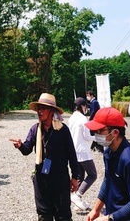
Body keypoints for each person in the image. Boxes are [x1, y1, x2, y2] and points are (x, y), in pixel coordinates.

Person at [10, 93, 79, 221]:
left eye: (43, 108)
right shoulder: (35, 129)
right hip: (42, 180)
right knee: (43, 215)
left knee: (63, 215)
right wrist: (20, 145)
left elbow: (72, 154)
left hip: (60, 180)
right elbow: (27, 150)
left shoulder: (62, 130)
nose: (39, 111)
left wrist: (75, 177)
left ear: (51, 111)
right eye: (38, 109)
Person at [84, 107, 130, 221]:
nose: (96, 135)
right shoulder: (108, 152)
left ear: (115, 133)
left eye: (99, 131)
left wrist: (110, 218)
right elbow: (108, 180)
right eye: (94, 131)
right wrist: (96, 209)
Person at [68, 97, 97, 211]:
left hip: (73, 151)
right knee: (93, 175)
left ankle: (77, 202)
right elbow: (87, 136)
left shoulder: (71, 118)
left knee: (80, 176)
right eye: (86, 106)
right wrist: (98, 137)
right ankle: (77, 196)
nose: (86, 108)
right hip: (83, 151)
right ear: (82, 106)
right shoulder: (83, 119)